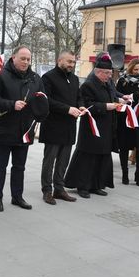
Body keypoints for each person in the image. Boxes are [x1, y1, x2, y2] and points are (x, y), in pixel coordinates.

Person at [0, 46, 48, 211]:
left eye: (28, 59)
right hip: (6, 127)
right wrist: (11, 104)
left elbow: (42, 99)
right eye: (22, 58)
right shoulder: (1, 75)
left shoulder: (35, 78)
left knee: (19, 166)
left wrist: (38, 117)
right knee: (0, 166)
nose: (26, 62)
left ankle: (17, 197)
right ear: (13, 57)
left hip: (25, 129)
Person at [64, 53, 121, 198]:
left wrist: (120, 101)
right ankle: (82, 186)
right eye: (107, 73)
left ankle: (96, 185)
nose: (109, 76)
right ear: (98, 72)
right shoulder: (88, 85)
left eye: (110, 73)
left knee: (101, 158)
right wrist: (106, 106)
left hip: (106, 127)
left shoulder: (107, 85)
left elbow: (113, 97)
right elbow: (86, 105)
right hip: (91, 128)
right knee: (88, 159)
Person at [39, 51, 82, 205]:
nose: (71, 64)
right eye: (69, 61)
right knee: (49, 161)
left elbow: (79, 96)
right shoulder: (48, 78)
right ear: (59, 60)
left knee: (63, 161)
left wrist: (81, 106)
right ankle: (47, 190)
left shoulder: (75, 79)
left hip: (69, 126)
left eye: (73, 62)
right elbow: (47, 100)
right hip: (53, 125)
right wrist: (68, 109)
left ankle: (59, 188)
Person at [115, 59, 139, 186]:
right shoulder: (122, 81)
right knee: (124, 146)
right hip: (125, 117)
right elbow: (116, 97)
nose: (137, 72)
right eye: (135, 69)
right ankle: (125, 174)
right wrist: (125, 104)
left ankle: (138, 175)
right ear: (130, 68)